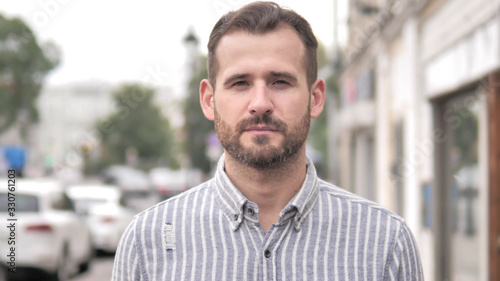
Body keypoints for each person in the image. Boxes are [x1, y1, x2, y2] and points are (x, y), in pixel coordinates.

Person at [111, 2, 424, 280]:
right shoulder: (146, 242)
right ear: (209, 100)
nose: (260, 103)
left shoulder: (385, 243)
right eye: (240, 83)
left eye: (280, 82)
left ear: (315, 98)